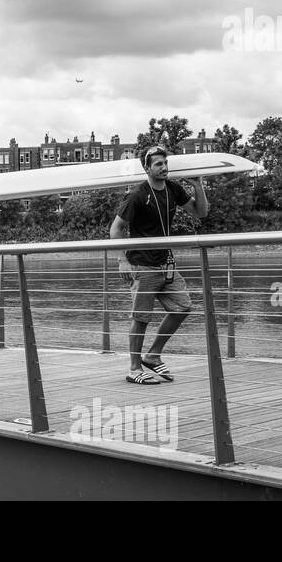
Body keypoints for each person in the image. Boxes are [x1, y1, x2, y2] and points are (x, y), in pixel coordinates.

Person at [109, 146, 208, 384]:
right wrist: (122, 260)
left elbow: (200, 212)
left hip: (167, 264)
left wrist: (197, 185)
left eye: (165, 163)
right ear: (147, 168)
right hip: (143, 265)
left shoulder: (173, 189)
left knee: (182, 307)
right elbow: (116, 229)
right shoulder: (137, 195)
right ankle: (134, 369)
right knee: (141, 317)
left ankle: (152, 356)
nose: (164, 167)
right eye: (158, 164)